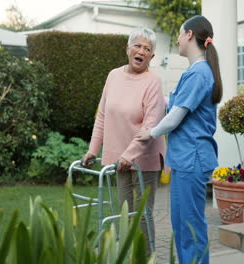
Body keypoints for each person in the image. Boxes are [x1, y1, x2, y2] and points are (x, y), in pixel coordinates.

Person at [135, 15, 223, 264]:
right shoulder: (197, 71)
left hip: (191, 159)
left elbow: (175, 117)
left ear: (189, 35)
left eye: (179, 33)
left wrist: (150, 133)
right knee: (184, 225)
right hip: (188, 159)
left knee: (189, 228)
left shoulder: (199, 73)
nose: (176, 38)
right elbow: (172, 105)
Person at [82, 27, 166, 254]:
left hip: (144, 160)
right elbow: (102, 115)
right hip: (118, 158)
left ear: (152, 56)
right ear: (127, 49)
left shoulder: (153, 82)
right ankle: (126, 255)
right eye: (137, 46)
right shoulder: (114, 76)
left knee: (141, 215)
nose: (141, 51)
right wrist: (92, 150)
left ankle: (146, 258)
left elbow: (150, 125)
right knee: (123, 211)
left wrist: (129, 156)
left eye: (147, 49)